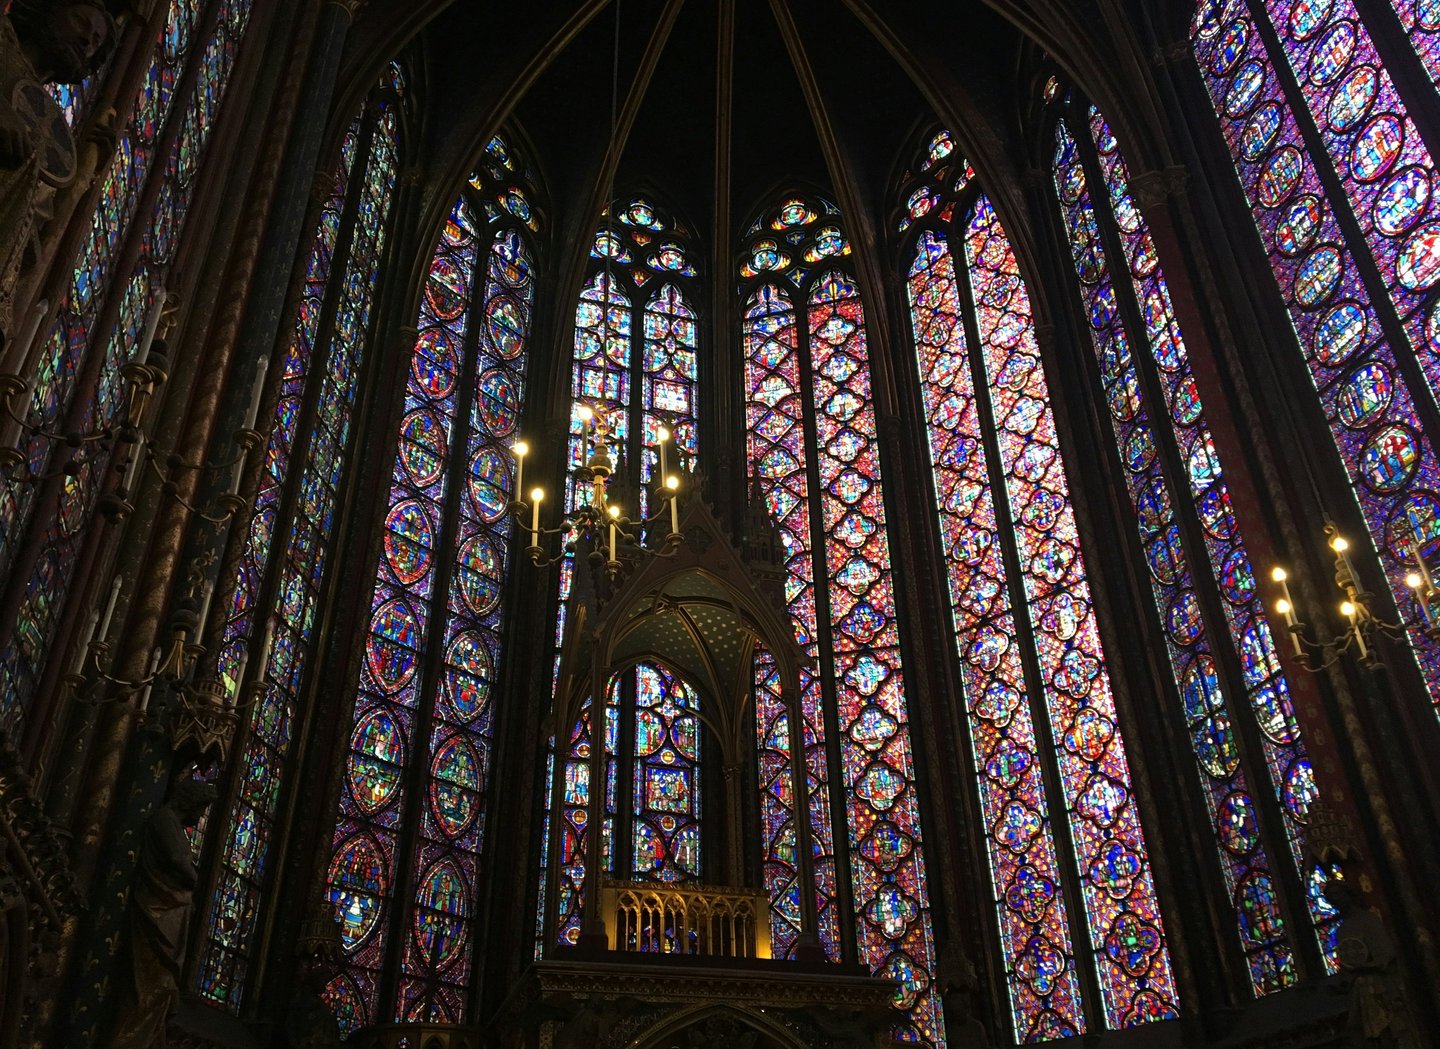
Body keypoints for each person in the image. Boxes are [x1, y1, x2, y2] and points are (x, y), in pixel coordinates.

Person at [0, 0, 114, 352]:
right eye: (81, 21)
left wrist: (77, 185)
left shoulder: (44, 123)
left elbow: (29, 236)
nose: (86, 41)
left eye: (95, 41)